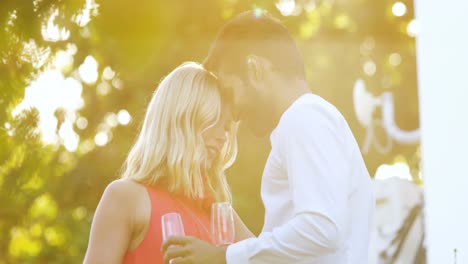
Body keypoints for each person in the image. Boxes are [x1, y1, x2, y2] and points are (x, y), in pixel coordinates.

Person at [163, 10, 374, 264]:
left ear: (255, 69)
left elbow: (321, 228)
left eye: (230, 92)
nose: (235, 114)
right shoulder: (307, 121)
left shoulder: (304, 118)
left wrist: (223, 256)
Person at [84, 62, 253, 264]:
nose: (223, 137)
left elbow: (272, 259)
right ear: (183, 117)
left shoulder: (221, 214)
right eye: (215, 120)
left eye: (226, 128)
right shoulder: (126, 198)